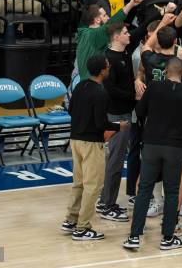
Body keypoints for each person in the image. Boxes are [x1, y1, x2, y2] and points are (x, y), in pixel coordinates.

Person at [123, 57, 182, 251]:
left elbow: (139, 110)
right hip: (174, 148)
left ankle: (134, 236)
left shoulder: (153, 88)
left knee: (144, 190)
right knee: (171, 192)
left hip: (151, 145)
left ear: (166, 71)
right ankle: (167, 238)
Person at [61, 54, 130, 241]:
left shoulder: (80, 86)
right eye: (107, 66)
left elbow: (70, 110)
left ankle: (71, 219)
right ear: (102, 71)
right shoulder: (101, 93)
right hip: (91, 143)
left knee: (79, 182)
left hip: (75, 140)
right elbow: (101, 124)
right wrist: (119, 126)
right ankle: (82, 227)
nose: (109, 68)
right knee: (93, 186)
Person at [94, 22, 135, 222]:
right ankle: (106, 204)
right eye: (126, 32)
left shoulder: (124, 54)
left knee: (116, 161)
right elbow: (111, 91)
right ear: (117, 37)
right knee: (114, 162)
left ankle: (106, 201)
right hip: (117, 117)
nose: (130, 35)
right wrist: (133, 96)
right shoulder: (109, 59)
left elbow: (142, 31)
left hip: (125, 114)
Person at [76, 0, 143, 81]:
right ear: (97, 20)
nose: (108, 17)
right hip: (92, 87)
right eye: (104, 15)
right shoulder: (94, 35)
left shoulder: (85, 34)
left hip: (85, 85)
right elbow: (112, 23)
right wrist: (130, 5)